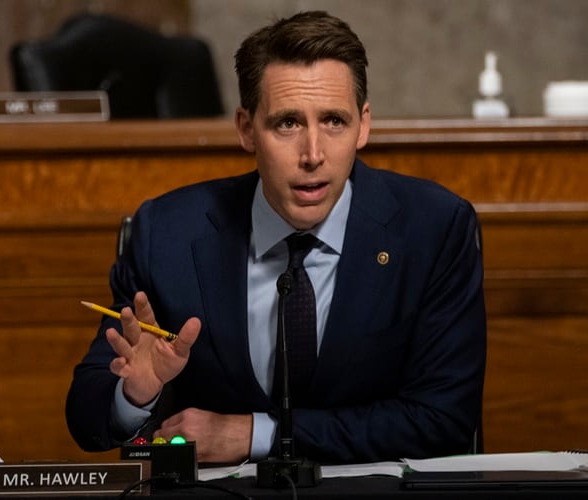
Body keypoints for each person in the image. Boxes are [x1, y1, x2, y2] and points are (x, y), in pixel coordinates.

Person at [66, 10, 486, 465]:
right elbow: (86, 418)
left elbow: (443, 422)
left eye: (334, 122)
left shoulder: (434, 228)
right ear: (247, 129)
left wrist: (254, 435)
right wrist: (134, 395)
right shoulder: (167, 232)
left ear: (363, 125)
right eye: (287, 123)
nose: (313, 155)